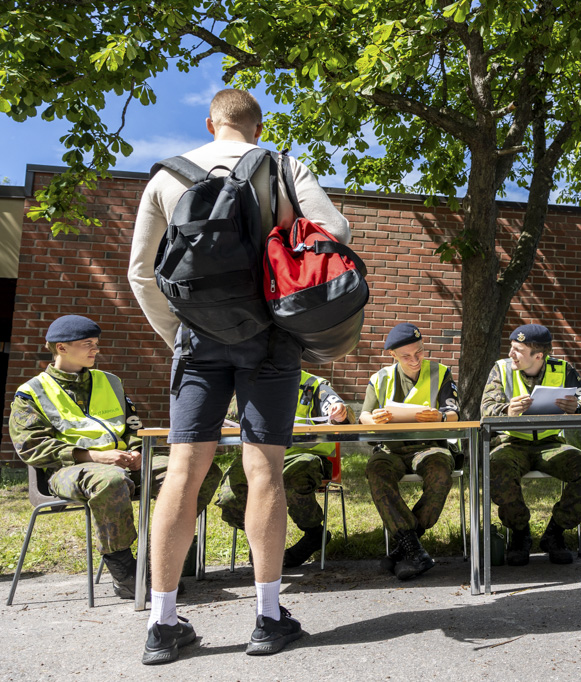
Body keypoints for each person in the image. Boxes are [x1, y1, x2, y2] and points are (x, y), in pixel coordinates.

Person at [128, 88, 350, 664]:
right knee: (263, 470)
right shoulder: (280, 165)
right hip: (271, 337)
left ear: (210, 123)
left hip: (198, 341)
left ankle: (162, 624)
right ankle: (268, 618)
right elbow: (335, 231)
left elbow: (140, 274)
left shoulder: (164, 177)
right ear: (257, 127)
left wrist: (178, 335)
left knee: (182, 472)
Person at [8, 315, 223, 600]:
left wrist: (136, 451)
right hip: (67, 470)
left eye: (96, 344)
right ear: (61, 348)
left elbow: (133, 427)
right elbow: (31, 448)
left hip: (122, 463)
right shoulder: (31, 393)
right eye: (88, 344)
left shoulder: (110, 381)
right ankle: (124, 571)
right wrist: (95, 456)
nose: (95, 350)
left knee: (200, 469)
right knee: (111, 480)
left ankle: (160, 555)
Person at [480, 323, 581, 566]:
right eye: (511, 348)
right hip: (511, 443)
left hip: (551, 443)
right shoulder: (501, 369)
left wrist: (575, 408)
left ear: (539, 356)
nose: (511, 354)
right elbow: (486, 409)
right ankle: (520, 533)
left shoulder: (564, 369)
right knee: (496, 468)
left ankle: (555, 533)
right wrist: (507, 410)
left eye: (518, 350)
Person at [216, 371, 356, 568]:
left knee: (294, 477)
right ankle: (260, 541)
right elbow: (229, 416)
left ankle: (314, 533)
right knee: (231, 492)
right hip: (260, 455)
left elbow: (341, 413)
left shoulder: (312, 384)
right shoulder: (251, 381)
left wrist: (340, 413)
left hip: (303, 455)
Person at [359, 323, 460, 581]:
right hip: (391, 448)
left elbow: (454, 414)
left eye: (420, 352)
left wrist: (440, 418)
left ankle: (405, 547)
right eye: (407, 356)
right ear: (392, 355)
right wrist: (375, 421)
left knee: (440, 472)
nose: (415, 360)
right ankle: (413, 548)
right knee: (376, 470)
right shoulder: (380, 378)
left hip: (430, 446)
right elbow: (364, 417)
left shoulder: (441, 372)